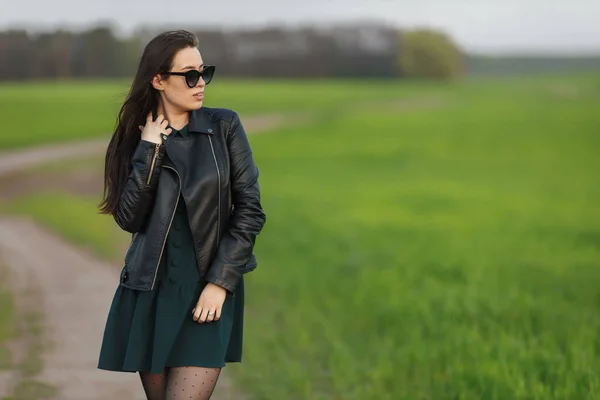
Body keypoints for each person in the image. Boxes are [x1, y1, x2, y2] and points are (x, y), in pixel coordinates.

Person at [96, 30, 266, 400]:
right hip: (150, 292)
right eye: (189, 75)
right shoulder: (135, 139)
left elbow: (250, 210)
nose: (200, 83)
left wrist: (220, 283)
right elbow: (130, 218)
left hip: (207, 292)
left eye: (204, 72)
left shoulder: (224, 127)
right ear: (158, 80)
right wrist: (149, 150)